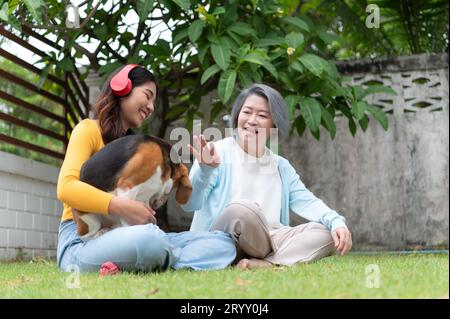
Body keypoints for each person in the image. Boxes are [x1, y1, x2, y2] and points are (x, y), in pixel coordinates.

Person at [56, 65, 236, 273]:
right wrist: (123, 207)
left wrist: (203, 169)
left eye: (154, 102)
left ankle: (145, 258)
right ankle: (155, 255)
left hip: (128, 236)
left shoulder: (135, 149)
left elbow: (180, 203)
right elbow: (66, 188)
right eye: (147, 95)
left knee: (223, 242)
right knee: (151, 239)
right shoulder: (88, 129)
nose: (150, 107)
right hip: (81, 241)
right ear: (122, 87)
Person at [182, 84, 352, 269]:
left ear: (274, 124)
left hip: (269, 242)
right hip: (222, 240)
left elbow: (307, 201)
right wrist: (205, 170)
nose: (252, 120)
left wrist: (336, 222)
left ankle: (265, 264)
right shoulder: (216, 153)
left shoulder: (280, 165)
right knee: (243, 209)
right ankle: (271, 259)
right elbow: (190, 204)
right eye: (247, 112)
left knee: (325, 232)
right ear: (237, 115)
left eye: (262, 115)